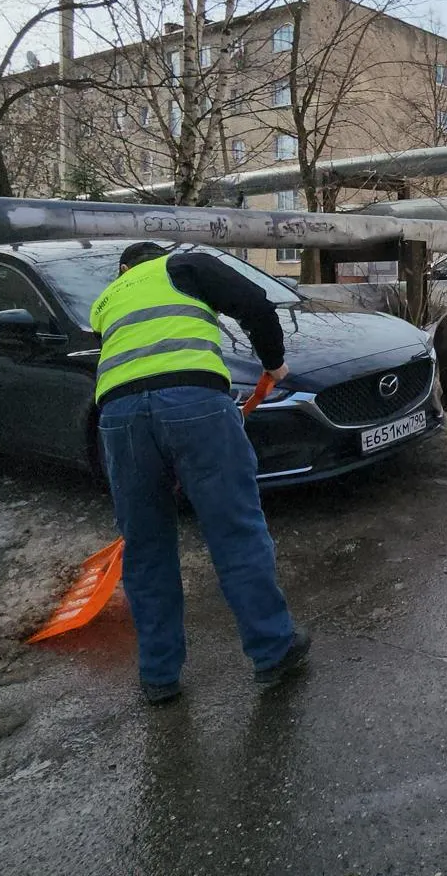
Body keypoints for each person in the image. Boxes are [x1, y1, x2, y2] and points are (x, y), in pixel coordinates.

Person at [90, 241, 305, 704]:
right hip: (195, 404)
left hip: (119, 418)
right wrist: (273, 362)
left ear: (124, 268)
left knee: (146, 547)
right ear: (153, 258)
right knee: (235, 531)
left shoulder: (105, 301)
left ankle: (159, 676)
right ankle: (273, 650)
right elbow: (255, 303)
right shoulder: (182, 264)